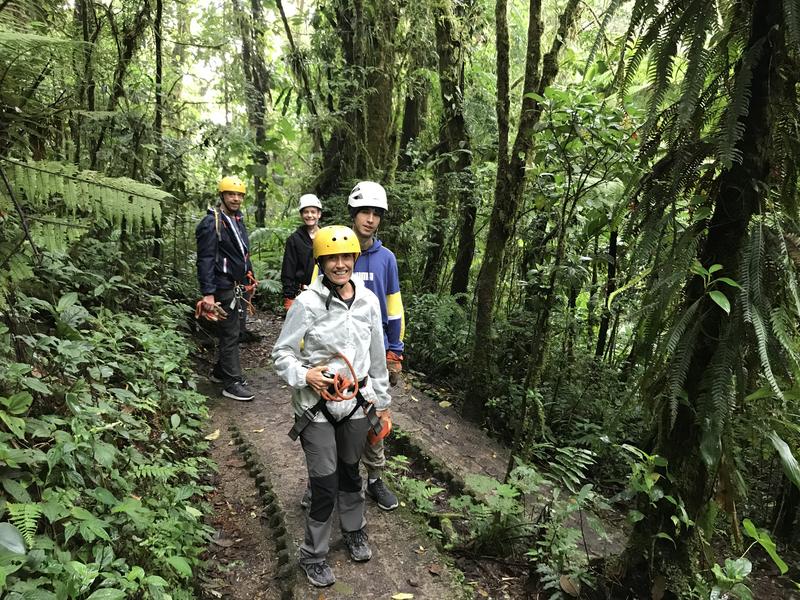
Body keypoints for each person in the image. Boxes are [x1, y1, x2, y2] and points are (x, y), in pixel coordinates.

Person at [272, 225, 391, 587]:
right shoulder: (308, 303)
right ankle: (313, 554)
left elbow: (376, 357)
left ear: (355, 259)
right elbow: (281, 354)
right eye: (332, 258)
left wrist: (382, 403)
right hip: (316, 408)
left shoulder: (369, 302)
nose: (340, 264)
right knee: (324, 484)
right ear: (321, 262)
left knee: (351, 473)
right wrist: (305, 375)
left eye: (346, 257)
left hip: (356, 403)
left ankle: (354, 530)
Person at [348, 181, 404, 511]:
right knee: (332, 417)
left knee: (375, 418)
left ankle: (375, 479)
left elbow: (395, 307)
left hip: (376, 351)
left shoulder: (386, 259)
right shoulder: (335, 249)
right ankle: (331, 480)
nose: (370, 219)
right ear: (353, 215)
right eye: (364, 212)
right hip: (341, 351)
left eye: (376, 213)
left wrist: (395, 350)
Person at [195, 175, 255, 402]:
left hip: (237, 286)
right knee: (230, 333)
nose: (236, 199)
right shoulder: (212, 223)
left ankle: (221, 372)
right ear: (222, 195)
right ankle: (232, 382)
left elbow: (242, 254)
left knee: (236, 329)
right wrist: (208, 293)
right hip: (222, 287)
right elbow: (206, 259)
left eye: (239, 195)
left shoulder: (237, 220)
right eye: (231, 194)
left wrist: (250, 279)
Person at [281, 194, 322, 310]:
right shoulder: (294, 240)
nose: (310, 215)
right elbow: (288, 268)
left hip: (324, 292)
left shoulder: (326, 237)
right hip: (302, 293)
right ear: (301, 215)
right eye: (306, 212)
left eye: (313, 212)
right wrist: (289, 296)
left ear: (319, 214)